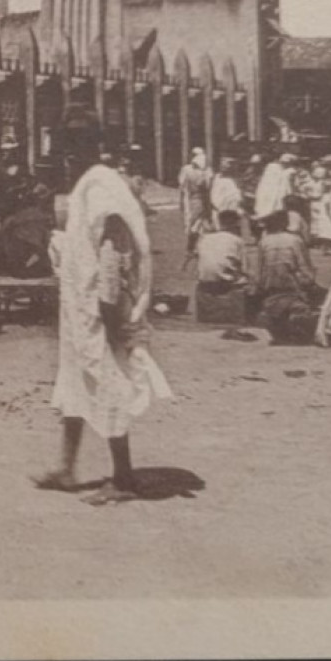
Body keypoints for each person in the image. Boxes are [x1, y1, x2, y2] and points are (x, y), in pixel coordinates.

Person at [34, 108, 172, 505]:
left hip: (98, 307)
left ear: (92, 147)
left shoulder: (101, 186)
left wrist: (110, 310)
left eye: (75, 146)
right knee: (75, 382)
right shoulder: (87, 185)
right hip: (79, 308)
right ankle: (66, 467)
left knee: (105, 379)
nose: (69, 155)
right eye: (66, 147)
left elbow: (112, 251)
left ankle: (124, 476)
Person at [253, 209, 321, 344]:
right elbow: (304, 267)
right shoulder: (295, 240)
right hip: (293, 287)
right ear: (285, 223)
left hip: (270, 287)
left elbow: (260, 269)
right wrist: (310, 282)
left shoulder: (264, 241)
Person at [195, 209, 249, 292]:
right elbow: (245, 269)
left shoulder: (205, 238)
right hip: (225, 285)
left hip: (204, 285)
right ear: (236, 224)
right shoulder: (237, 240)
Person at [177, 148, 213, 266]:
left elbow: (182, 187)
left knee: (196, 223)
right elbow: (207, 186)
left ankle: (195, 247)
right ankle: (194, 247)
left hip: (194, 199)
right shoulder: (205, 171)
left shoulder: (187, 170)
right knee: (198, 223)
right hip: (198, 199)